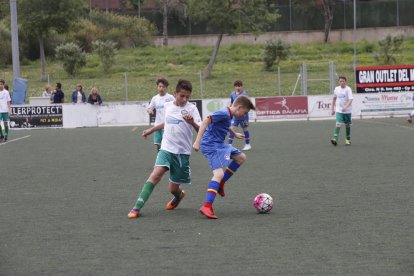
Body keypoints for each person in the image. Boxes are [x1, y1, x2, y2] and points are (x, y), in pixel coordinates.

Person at [127, 79, 201, 219]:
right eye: (182, 96)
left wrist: (192, 123)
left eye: (187, 96)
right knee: (155, 175)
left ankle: (179, 195)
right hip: (166, 148)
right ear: (175, 94)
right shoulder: (168, 106)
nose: (185, 99)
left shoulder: (192, 109)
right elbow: (165, 122)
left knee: (172, 189)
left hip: (182, 153)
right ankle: (137, 207)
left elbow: (201, 129)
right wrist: (151, 130)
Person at [193, 95, 255, 219]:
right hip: (210, 146)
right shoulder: (223, 113)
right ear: (240, 107)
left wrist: (234, 133)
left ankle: (221, 184)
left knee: (241, 157)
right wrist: (197, 142)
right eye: (245, 112)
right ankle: (207, 206)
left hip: (219, 145)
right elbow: (206, 121)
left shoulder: (228, 114)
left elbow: (224, 125)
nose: (244, 115)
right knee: (218, 174)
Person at [147, 77, 175, 151]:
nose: (161, 88)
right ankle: (160, 160)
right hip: (157, 125)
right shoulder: (155, 98)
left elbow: (176, 107)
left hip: (167, 125)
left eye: (163, 86)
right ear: (157, 87)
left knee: (166, 145)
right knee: (158, 145)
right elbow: (150, 108)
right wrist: (150, 110)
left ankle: (168, 160)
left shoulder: (170, 97)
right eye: (160, 86)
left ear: (166, 88)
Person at [228, 80, 252, 151]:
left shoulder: (245, 94)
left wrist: (244, 112)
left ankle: (248, 144)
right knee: (232, 129)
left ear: (242, 87)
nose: (238, 87)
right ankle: (229, 145)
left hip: (243, 117)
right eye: (236, 86)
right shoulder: (232, 94)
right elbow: (232, 104)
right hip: (235, 116)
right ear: (234, 87)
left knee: (245, 130)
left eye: (239, 86)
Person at [330, 76, 353, 146]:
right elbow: (334, 98)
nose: (342, 82)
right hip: (339, 110)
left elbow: (351, 99)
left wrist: (346, 107)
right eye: (340, 81)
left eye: (343, 81)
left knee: (347, 125)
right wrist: (332, 109)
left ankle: (348, 139)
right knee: (338, 123)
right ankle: (335, 139)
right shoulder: (336, 89)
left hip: (347, 110)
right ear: (339, 82)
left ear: (346, 82)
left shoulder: (348, 89)